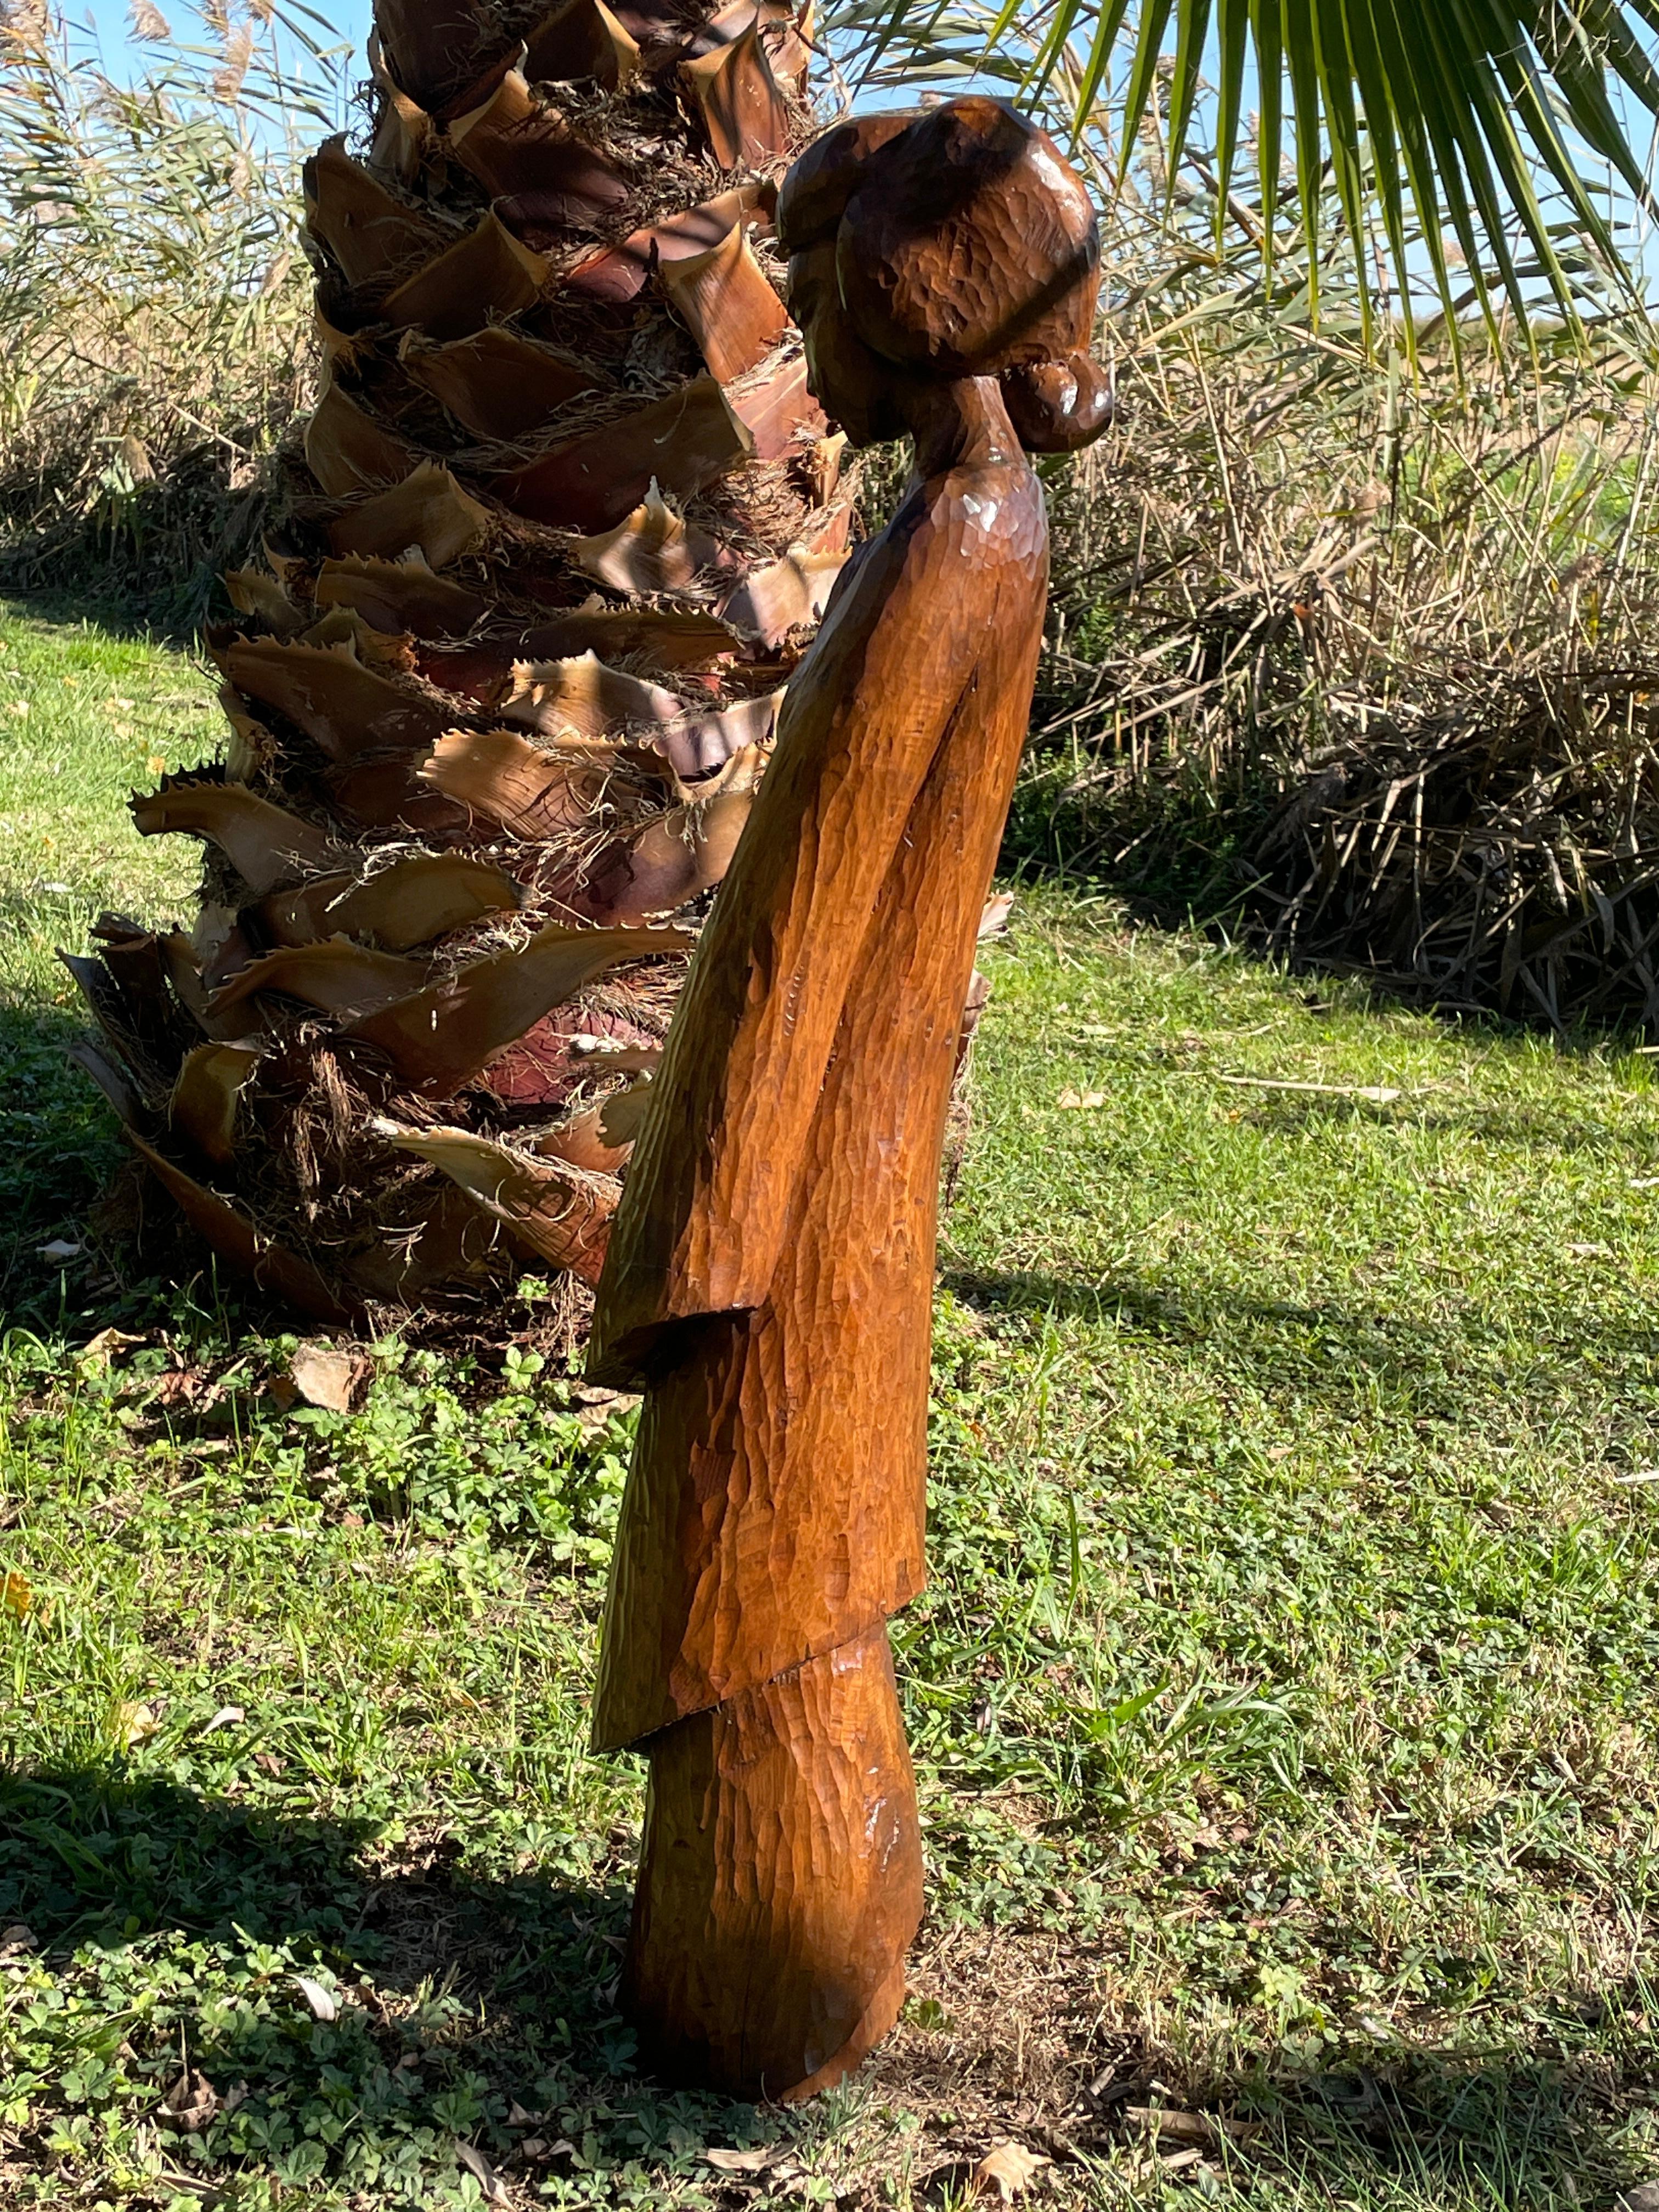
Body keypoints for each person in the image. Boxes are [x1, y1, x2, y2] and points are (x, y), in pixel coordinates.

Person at [585, 95, 1114, 2101]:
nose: (798, 331)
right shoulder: (975, 526)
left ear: (913, 299)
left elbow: (807, 931)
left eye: (818, 291)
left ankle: (764, 1973)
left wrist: (698, 1230)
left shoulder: (949, 549)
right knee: (790, 1552)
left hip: (802, 1180)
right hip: (853, 1153)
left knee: (769, 1545)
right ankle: (776, 1951)